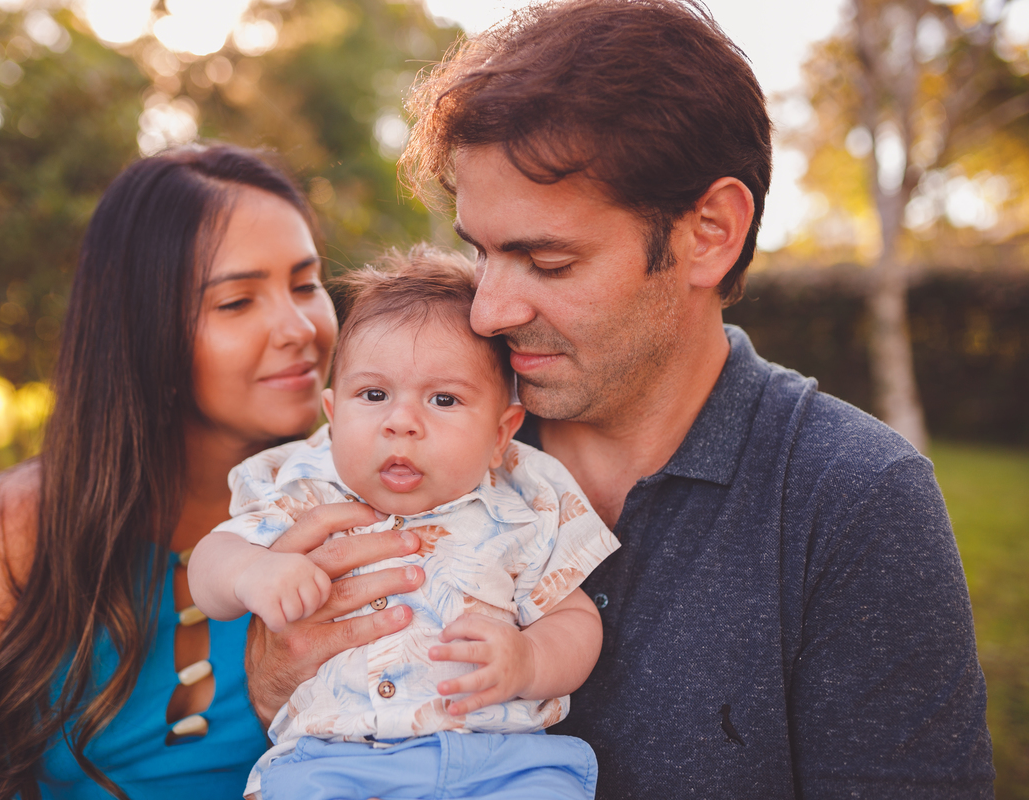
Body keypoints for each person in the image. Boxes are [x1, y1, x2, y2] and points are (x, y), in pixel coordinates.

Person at [243, 1, 997, 797]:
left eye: (548, 261)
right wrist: (276, 682)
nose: (488, 312)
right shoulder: (406, 432)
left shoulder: (854, 501)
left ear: (710, 232)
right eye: (481, 252)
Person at [0, 144, 427, 800]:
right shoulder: (20, 523)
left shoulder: (376, 505)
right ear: (144, 328)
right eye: (236, 302)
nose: (298, 326)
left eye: (305, 284)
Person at [188, 249, 620, 800]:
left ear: (500, 434)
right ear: (333, 414)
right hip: (336, 756)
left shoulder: (524, 501)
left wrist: (529, 659)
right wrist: (251, 571)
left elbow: (575, 617)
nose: (401, 422)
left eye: (443, 399)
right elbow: (210, 562)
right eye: (374, 395)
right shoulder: (301, 484)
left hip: (497, 760)